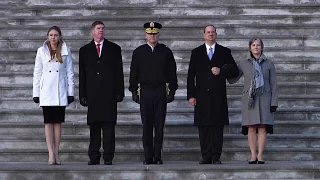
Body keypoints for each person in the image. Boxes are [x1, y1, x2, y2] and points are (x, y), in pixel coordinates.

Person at [187, 25, 239, 164]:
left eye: (213, 32)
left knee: (217, 126)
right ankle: (206, 156)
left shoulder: (224, 51)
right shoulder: (196, 52)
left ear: (216, 34)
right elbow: (190, 75)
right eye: (208, 32)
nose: (210, 34)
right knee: (203, 127)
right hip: (201, 95)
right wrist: (191, 95)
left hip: (218, 95)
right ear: (204, 34)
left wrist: (221, 71)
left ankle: (216, 156)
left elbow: (234, 71)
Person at [129, 21, 178, 165]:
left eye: (155, 33)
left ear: (158, 35)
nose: (152, 36)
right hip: (145, 91)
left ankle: (157, 156)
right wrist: (133, 90)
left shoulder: (165, 51)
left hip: (160, 91)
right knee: (147, 126)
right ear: (146, 35)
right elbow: (134, 72)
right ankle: (147, 156)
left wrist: (172, 90)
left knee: (159, 125)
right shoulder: (138, 52)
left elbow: (172, 72)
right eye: (150, 34)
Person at [79, 21, 124, 165]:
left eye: (103, 28)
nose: (101, 31)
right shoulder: (85, 50)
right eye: (98, 28)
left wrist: (119, 91)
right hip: (93, 95)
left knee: (109, 127)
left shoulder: (114, 49)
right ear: (92, 31)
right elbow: (82, 75)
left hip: (109, 94)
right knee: (94, 127)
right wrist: (82, 95)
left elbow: (119, 72)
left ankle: (108, 156)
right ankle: (94, 156)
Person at [229, 38, 278, 164]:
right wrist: (225, 70)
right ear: (250, 48)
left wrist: (274, 102)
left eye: (258, 45)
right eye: (253, 45)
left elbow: (274, 84)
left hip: (265, 99)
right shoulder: (244, 63)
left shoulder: (269, 63)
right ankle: (253, 155)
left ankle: (260, 155)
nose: (256, 47)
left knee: (262, 128)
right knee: (251, 128)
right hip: (249, 99)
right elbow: (233, 79)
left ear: (262, 47)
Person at [32, 26, 75, 165]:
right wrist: (36, 93)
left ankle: (56, 152)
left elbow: (70, 73)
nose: (53, 37)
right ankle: (50, 152)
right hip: (46, 91)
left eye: (56, 35)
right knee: (48, 123)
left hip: (60, 91)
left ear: (60, 36)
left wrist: (70, 93)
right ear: (47, 36)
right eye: (51, 35)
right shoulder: (41, 51)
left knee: (58, 123)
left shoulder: (66, 50)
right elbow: (37, 73)